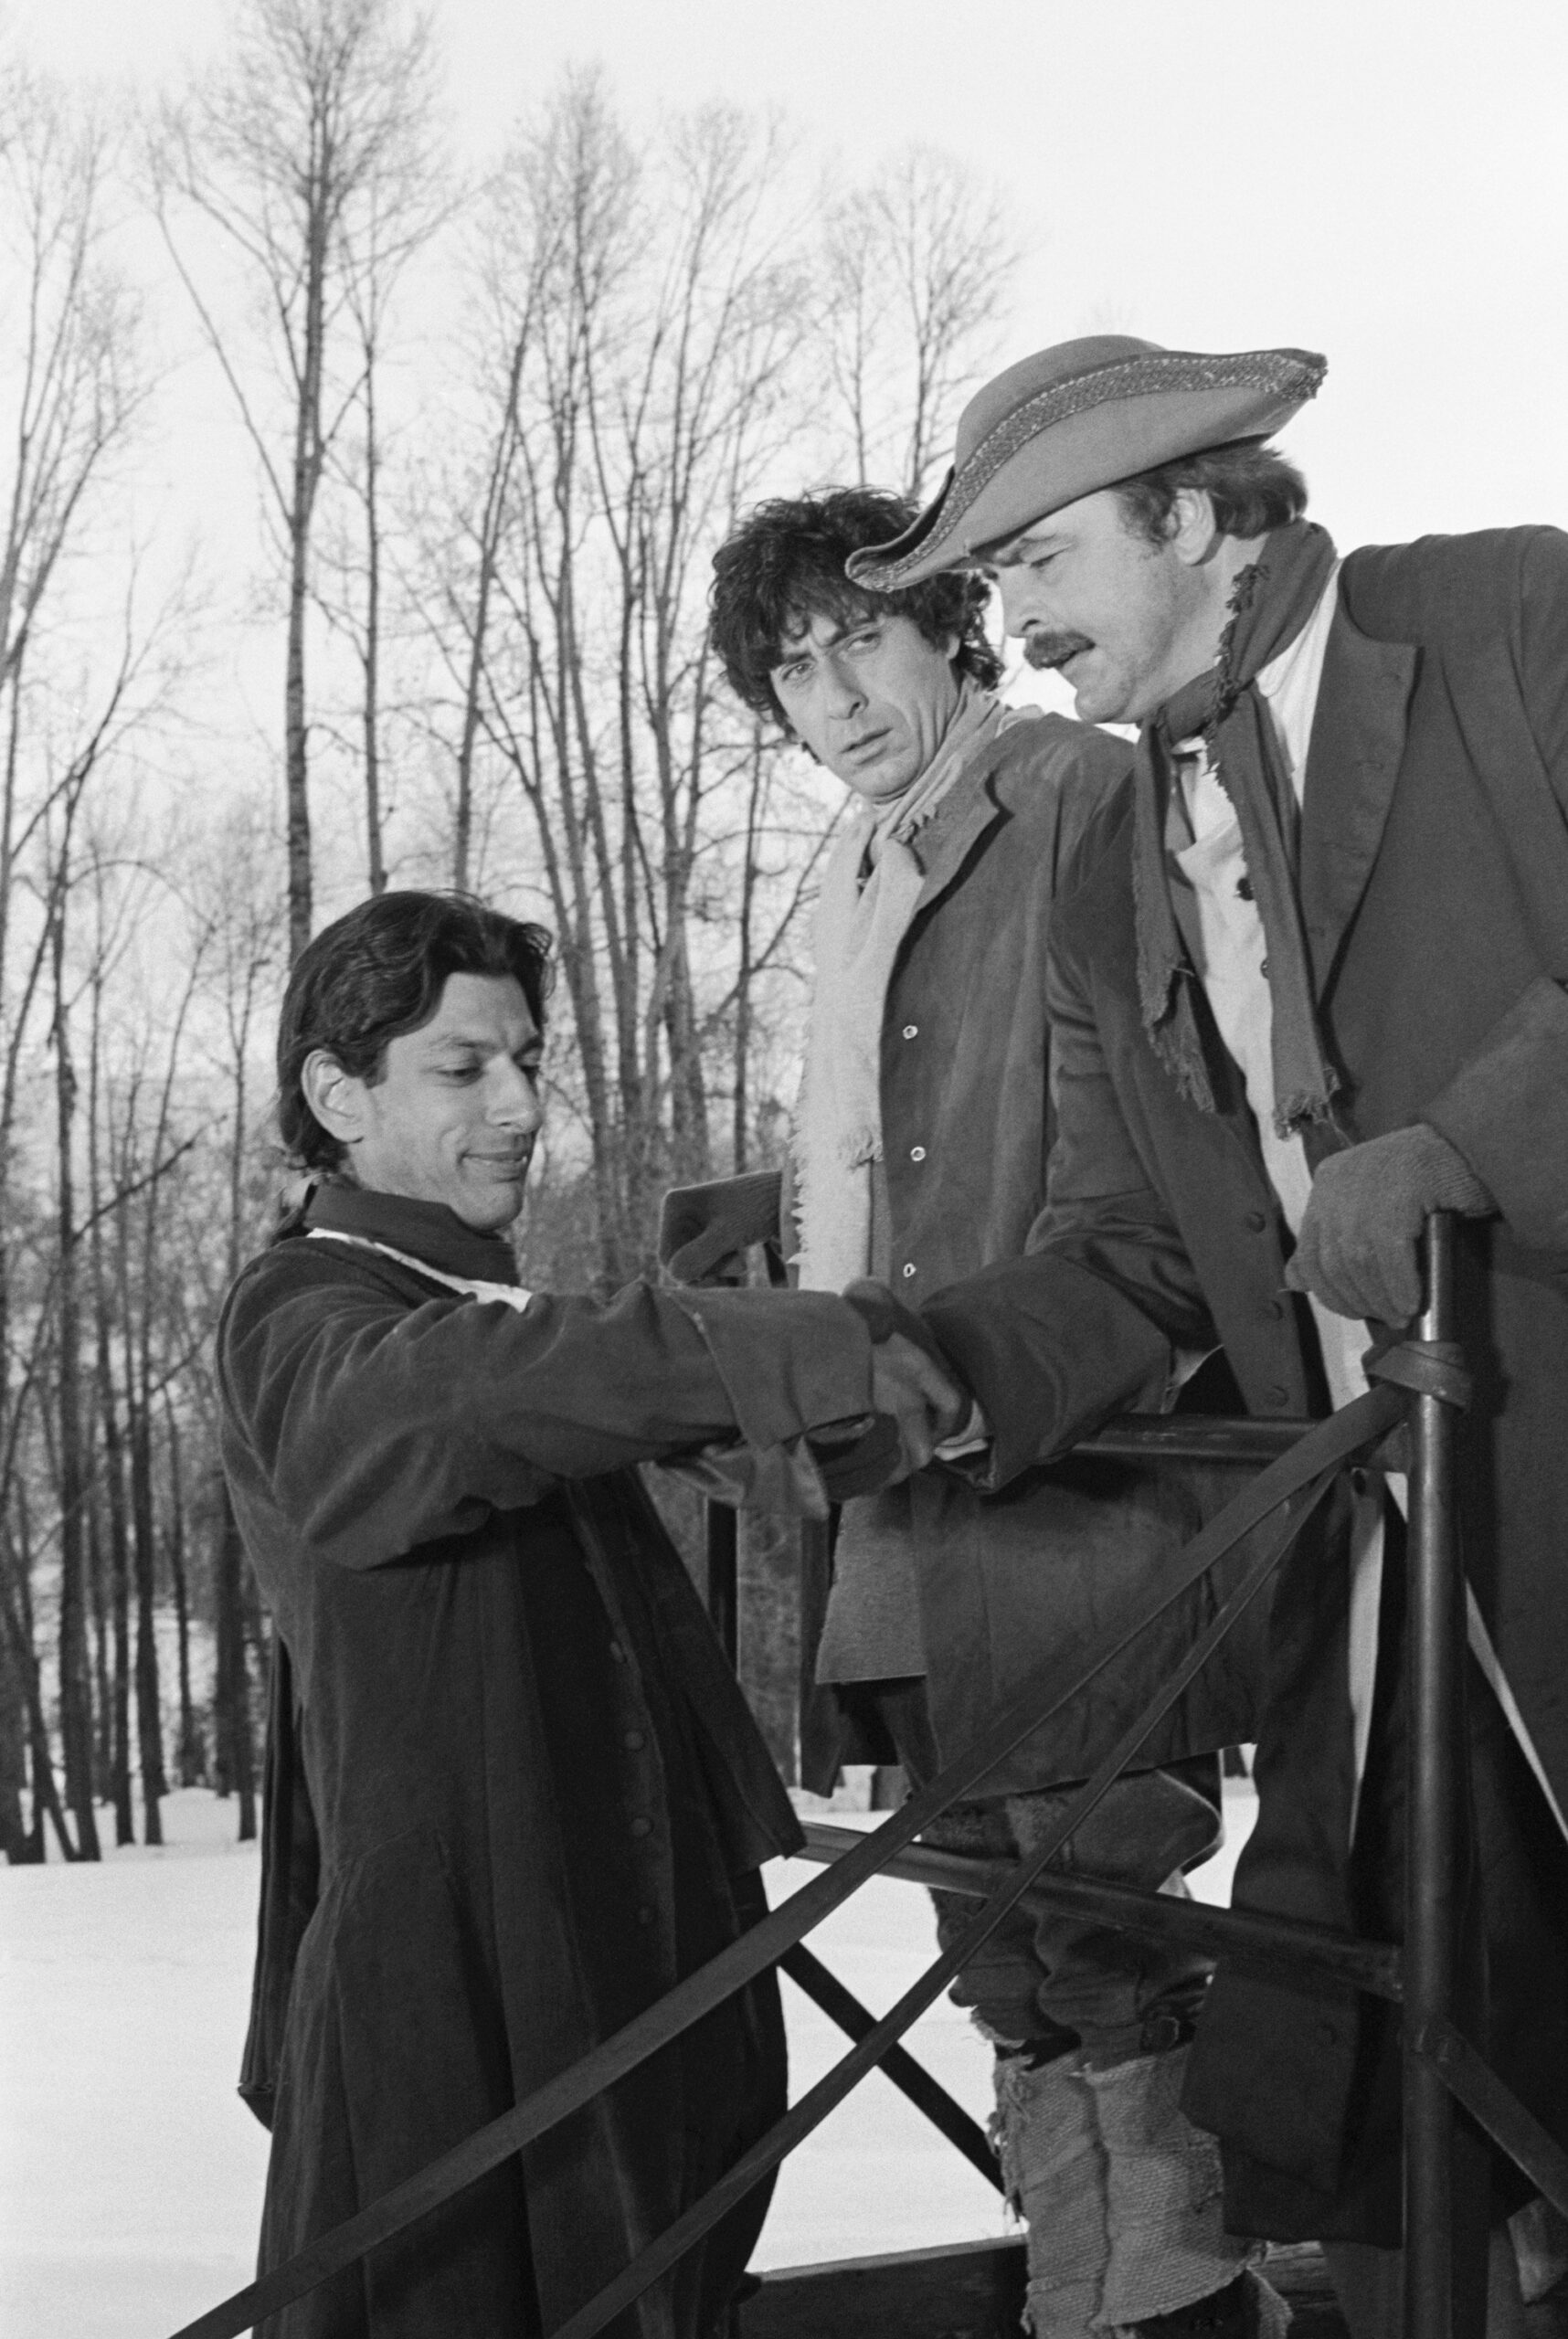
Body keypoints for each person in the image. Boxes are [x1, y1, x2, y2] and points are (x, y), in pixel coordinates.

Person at [847, 336, 1568, 2337]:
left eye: (1043, 561)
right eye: (994, 590)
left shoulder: (1510, 614)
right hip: (1380, 1568)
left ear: (1197, 519)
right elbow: (1142, 1250)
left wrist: (1464, 1143)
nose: (1020, 626)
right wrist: (905, 1368)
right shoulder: (1117, 857)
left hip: (1558, 1519)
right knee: (1365, 2101)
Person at [664, 486, 1284, 2339]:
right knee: (996, 1941)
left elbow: (1161, 1190)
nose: (836, 695)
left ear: (955, 626)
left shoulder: (1079, 800)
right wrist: (756, 1271)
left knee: (1114, 1919)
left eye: (866, 638)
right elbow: (878, 1169)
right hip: (907, 1508)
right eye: (791, 670)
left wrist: (940, 1357)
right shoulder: (861, 865)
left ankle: (1168, 2304)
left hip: (1076, 1475)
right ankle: (1075, 2294)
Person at [218, 888, 953, 2339]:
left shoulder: (478, 1303)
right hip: (460, 1987)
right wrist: (787, 1339)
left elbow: (541, 1388)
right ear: (335, 1095)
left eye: (531, 1061)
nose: (519, 1105)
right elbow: (431, 1411)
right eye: (463, 1067)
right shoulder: (301, 1306)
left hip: (612, 1955)